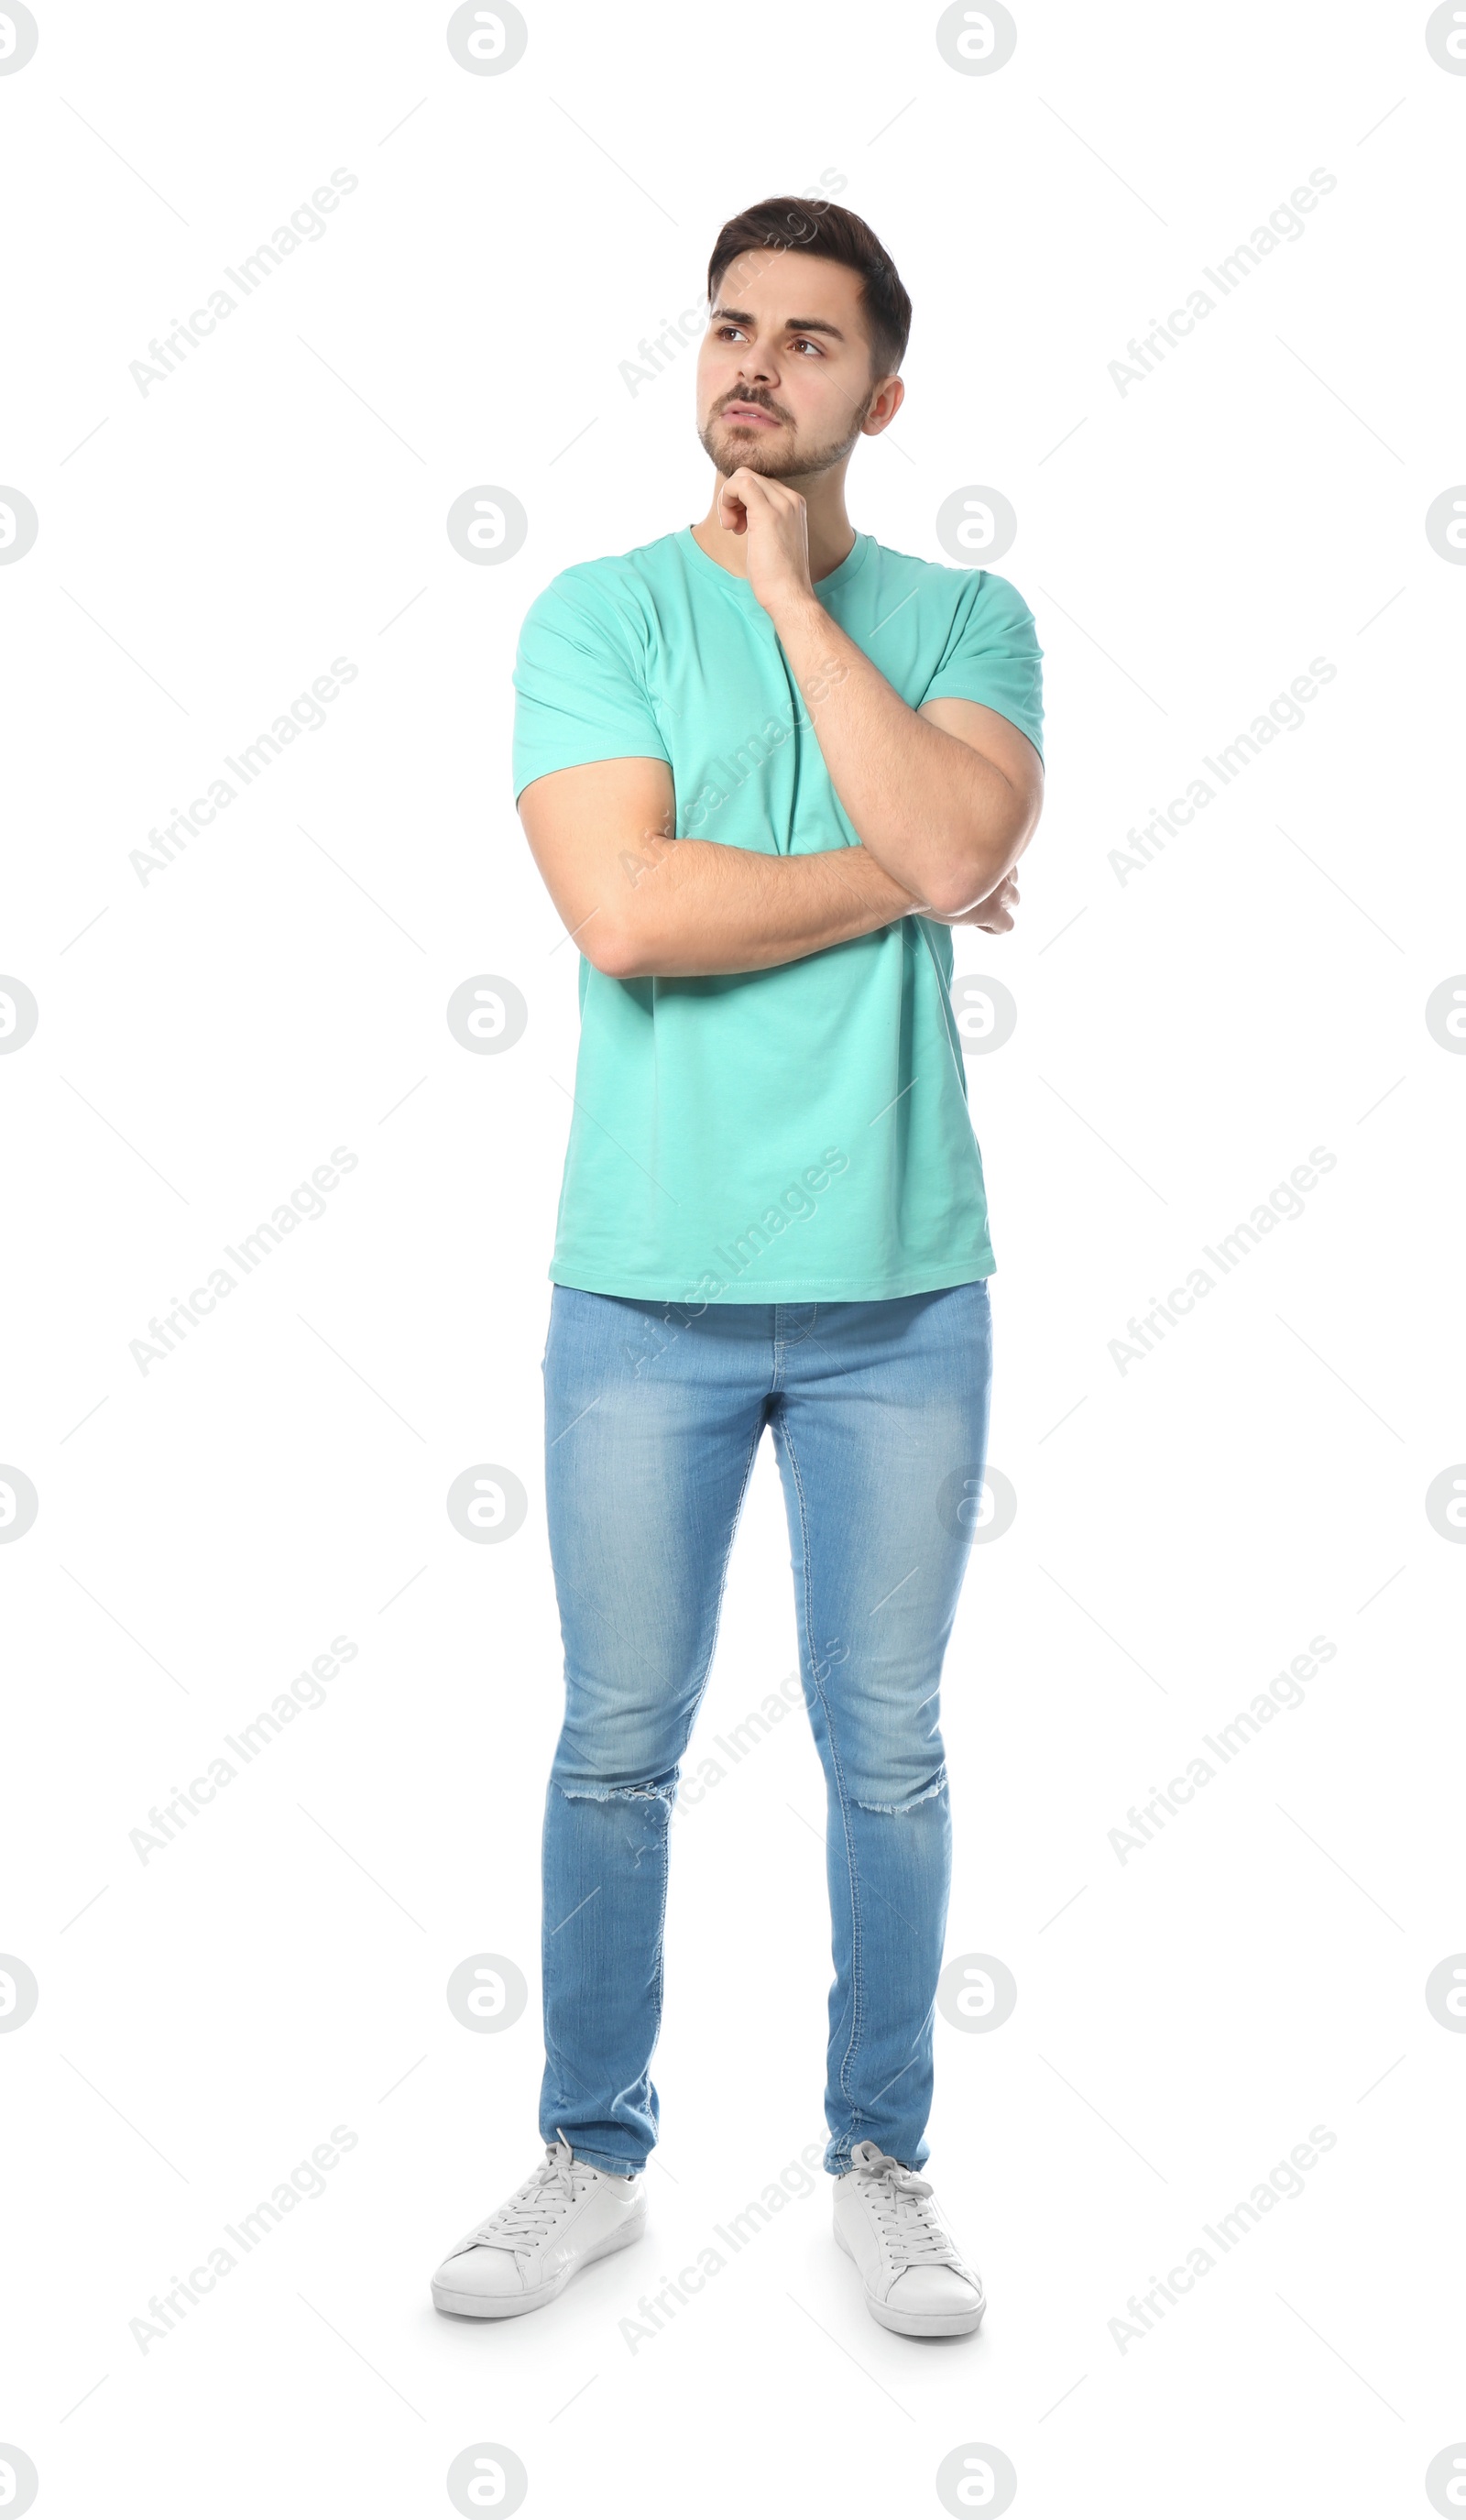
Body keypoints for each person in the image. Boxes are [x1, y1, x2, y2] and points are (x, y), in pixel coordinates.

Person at [431, 196, 1044, 2340]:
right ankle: (589, 2150)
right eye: (724, 328)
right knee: (615, 1738)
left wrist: (797, 611)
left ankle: (879, 2155)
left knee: (886, 1746)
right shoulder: (593, 617)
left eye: (802, 341)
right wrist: (902, 872)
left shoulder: (965, 617)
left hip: (900, 1292)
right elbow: (627, 916)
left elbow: (956, 839)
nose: (750, 367)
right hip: (641, 1287)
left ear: (878, 394)